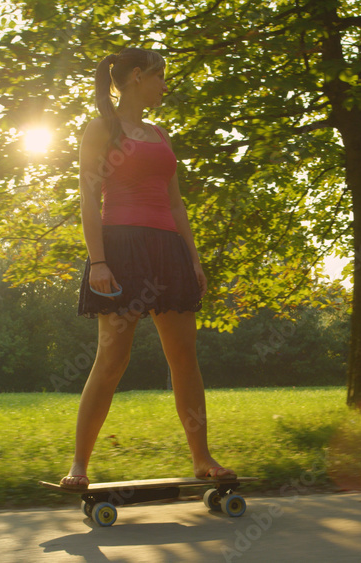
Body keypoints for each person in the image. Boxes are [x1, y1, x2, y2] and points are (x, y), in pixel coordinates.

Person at [60, 48, 235, 489]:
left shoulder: (160, 134)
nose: (165, 86)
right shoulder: (101, 129)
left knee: (184, 358)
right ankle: (79, 464)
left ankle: (202, 458)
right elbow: (88, 198)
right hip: (121, 248)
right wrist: (98, 261)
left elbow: (175, 202)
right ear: (137, 76)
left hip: (167, 250)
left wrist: (192, 258)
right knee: (112, 359)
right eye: (160, 77)